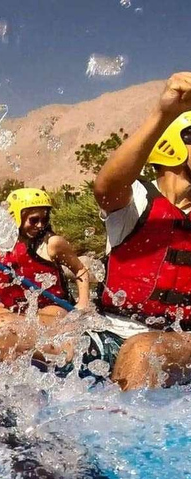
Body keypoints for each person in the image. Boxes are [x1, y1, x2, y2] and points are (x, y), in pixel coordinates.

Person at [92, 71, 191, 390]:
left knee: (144, 350)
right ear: (177, 145)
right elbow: (106, 187)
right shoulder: (135, 200)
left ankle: (118, 440)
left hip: (178, 342)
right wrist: (164, 113)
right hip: (108, 333)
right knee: (4, 329)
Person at [0, 188, 91, 363]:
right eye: (34, 220)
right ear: (15, 217)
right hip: (14, 309)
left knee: (2, 325)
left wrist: (83, 304)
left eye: (44, 219)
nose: (40, 225)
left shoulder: (51, 244)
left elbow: (80, 270)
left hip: (50, 309)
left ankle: (30, 358)